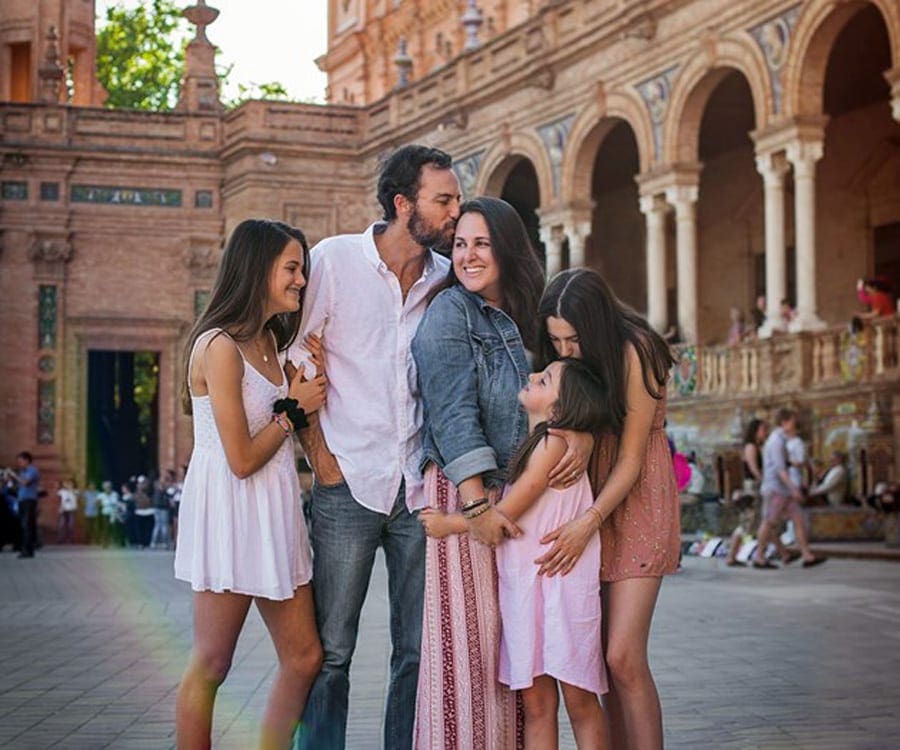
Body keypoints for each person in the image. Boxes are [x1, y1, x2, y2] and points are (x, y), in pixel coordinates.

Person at [290, 145, 458, 750]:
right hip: (347, 487)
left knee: (416, 650)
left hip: (418, 490)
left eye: (457, 199)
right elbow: (295, 360)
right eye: (444, 200)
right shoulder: (333, 261)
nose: (455, 213)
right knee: (331, 651)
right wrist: (321, 459)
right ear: (402, 203)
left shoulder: (446, 280)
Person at [174, 218, 325, 749]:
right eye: (291, 268)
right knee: (213, 661)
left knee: (304, 657)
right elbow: (240, 458)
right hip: (231, 509)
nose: (300, 280)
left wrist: (303, 390)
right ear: (258, 269)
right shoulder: (218, 346)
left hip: (276, 506)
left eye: (301, 270)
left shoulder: (268, 340)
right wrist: (294, 412)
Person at [420, 358, 611, 749]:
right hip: (527, 589)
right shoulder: (536, 444)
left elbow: (507, 514)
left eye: (545, 380)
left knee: (579, 698)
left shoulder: (554, 443)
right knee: (536, 702)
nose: (531, 377)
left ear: (559, 409)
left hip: (560, 587)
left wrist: (447, 523)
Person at [411, 195, 546, 749]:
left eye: (481, 244)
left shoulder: (531, 312)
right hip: (468, 492)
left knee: (516, 654)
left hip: (523, 495)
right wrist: (474, 507)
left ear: (508, 247)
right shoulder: (449, 312)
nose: (466, 256)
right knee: (472, 652)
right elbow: (451, 412)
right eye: (460, 244)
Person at [531, 268, 680, 750]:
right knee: (596, 659)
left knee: (623, 656)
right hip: (589, 502)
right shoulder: (576, 358)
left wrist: (586, 524)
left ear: (594, 327)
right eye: (555, 341)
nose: (564, 351)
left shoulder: (636, 349)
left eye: (573, 339)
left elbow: (633, 457)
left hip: (634, 501)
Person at [752, 408, 825, 570]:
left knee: (798, 519)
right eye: (792, 421)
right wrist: (794, 489)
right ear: (784, 423)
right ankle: (759, 557)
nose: (795, 424)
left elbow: (785, 464)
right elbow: (780, 469)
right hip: (776, 488)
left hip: (783, 488)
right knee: (769, 522)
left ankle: (807, 555)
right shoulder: (776, 441)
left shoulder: (782, 440)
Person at [725, 419, 796, 567]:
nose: (766, 432)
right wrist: (764, 481)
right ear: (756, 431)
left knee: (766, 522)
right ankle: (732, 556)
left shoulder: (760, 446)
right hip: (753, 488)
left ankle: (783, 554)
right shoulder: (751, 447)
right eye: (763, 429)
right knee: (748, 523)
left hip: (758, 486)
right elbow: (753, 468)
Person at [9, 452, 40, 558]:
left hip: (29, 501)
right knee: (24, 526)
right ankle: (27, 549)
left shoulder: (33, 470)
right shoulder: (23, 472)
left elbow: (25, 482)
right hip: (22, 500)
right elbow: (19, 486)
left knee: (26, 525)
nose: (19, 463)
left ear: (27, 460)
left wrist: (14, 475)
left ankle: (27, 550)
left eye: (20, 461)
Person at [56, 477, 78, 544]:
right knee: (61, 525)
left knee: (70, 525)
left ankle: (70, 540)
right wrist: (59, 485)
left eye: (71, 484)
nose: (69, 485)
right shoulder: (62, 491)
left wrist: (70, 489)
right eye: (68, 483)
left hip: (72, 510)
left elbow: (77, 495)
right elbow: (57, 493)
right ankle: (60, 539)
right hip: (63, 510)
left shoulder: (76, 491)